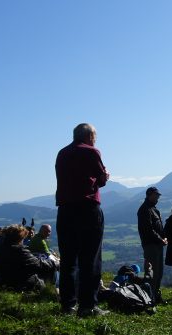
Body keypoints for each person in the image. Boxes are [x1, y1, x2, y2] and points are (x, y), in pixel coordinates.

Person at [55, 123, 110, 317]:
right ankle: (88, 306)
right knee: (90, 258)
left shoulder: (62, 153)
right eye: (95, 136)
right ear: (89, 136)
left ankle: (67, 305)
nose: (95, 139)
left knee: (68, 259)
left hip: (65, 210)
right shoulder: (92, 152)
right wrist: (106, 176)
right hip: (87, 210)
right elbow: (100, 179)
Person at [0, 224, 59, 292]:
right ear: (20, 238)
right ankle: (55, 289)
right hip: (20, 286)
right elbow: (38, 264)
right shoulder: (19, 251)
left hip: (3, 283)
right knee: (50, 270)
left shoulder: (1, 249)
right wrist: (55, 263)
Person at [138, 186, 166, 303]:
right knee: (152, 273)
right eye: (156, 195)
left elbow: (158, 227)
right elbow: (148, 230)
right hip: (151, 246)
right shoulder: (144, 209)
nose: (158, 197)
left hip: (158, 245)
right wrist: (161, 239)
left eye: (158, 195)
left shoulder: (154, 209)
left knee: (159, 273)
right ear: (149, 195)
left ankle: (155, 295)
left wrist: (163, 238)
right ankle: (150, 298)